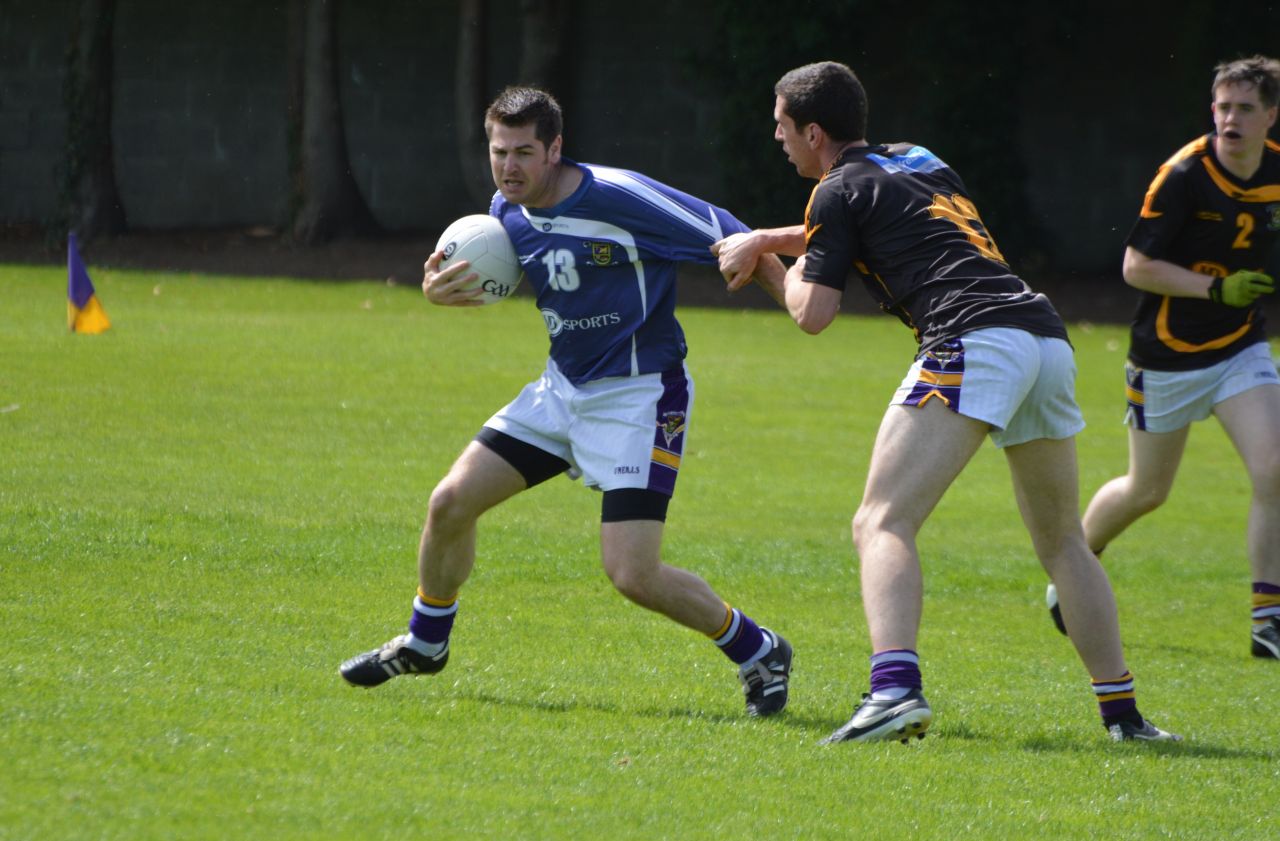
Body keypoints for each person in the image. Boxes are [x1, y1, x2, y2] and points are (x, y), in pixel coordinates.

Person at [714, 61, 1180, 743]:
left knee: (880, 522)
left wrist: (763, 265)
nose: (776, 136)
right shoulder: (916, 158)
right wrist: (765, 235)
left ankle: (894, 690)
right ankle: (1125, 717)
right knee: (1063, 544)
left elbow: (812, 313)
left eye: (781, 125)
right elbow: (860, 216)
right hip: (1043, 337)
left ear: (812, 131)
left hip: (972, 338)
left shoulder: (833, 194)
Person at [339, 86, 794, 718]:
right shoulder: (505, 211)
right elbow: (488, 265)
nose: (509, 167)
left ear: (556, 148)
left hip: (639, 396)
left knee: (633, 574)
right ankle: (426, 640)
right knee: (449, 502)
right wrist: (437, 286)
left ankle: (759, 648)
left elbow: (737, 236)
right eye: (499, 152)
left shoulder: (620, 198)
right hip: (561, 392)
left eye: (525, 152)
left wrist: (797, 303)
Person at [1046, 56, 1280, 661]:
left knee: (1275, 468)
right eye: (1222, 106)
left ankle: (1268, 617)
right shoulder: (1182, 176)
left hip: (1241, 349)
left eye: (1245, 109)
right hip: (1168, 357)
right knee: (1148, 490)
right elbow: (1135, 267)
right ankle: (1073, 571)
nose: (1230, 119)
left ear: (1270, 116)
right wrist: (1215, 288)